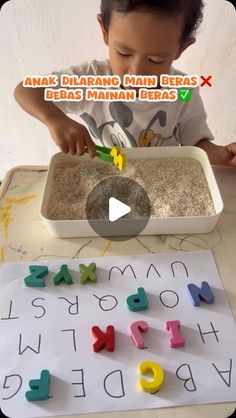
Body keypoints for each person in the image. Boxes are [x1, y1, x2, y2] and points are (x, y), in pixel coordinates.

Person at [14, 0, 236, 166]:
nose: (136, 72)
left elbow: (197, 146)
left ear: (180, 49)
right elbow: (25, 90)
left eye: (155, 59)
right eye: (123, 53)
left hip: (164, 183)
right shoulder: (91, 81)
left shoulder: (183, 91)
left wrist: (224, 155)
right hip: (110, 177)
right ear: (105, 31)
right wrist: (55, 120)